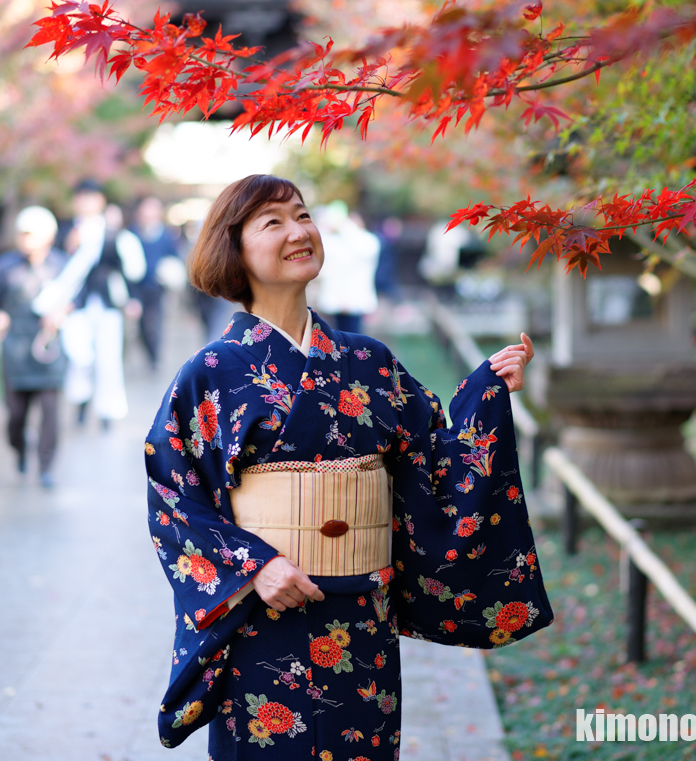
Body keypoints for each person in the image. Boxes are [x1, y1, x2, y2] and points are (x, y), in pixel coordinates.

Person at [143, 175, 552, 758]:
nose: (299, 231)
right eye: (274, 221)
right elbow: (173, 494)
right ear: (234, 248)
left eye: (302, 215)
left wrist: (485, 391)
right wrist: (254, 568)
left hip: (361, 615)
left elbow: (434, 456)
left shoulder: (367, 360)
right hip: (267, 611)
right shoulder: (211, 372)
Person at [34, 181, 146, 430]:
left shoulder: (113, 232)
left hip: (107, 304)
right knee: (79, 356)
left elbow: (127, 270)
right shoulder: (64, 231)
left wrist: (132, 299)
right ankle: (81, 400)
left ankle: (107, 412)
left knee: (109, 358)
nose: (86, 202)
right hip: (74, 306)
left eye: (91, 197)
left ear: (101, 201)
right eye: (82, 197)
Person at [0, 206, 69, 487]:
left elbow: (77, 297)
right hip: (15, 348)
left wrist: (63, 312)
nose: (25, 239)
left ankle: (46, 466)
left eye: (31, 233)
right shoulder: (4, 266)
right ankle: (19, 449)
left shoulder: (61, 265)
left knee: (50, 411)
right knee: (15, 415)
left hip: (49, 347)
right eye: (22, 233)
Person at [129, 196, 184, 372]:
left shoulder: (166, 236)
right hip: (137, 288)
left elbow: (174, 258)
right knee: (142, 326)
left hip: (157, 288)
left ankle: (155, 357)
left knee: (156, 322)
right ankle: (149, 352)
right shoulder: (133, 234)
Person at [310, 201, 380, 335]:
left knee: (354, 338)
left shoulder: (368, 242)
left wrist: (343, 225)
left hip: (355, 302)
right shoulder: (335, 243)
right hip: (334, 301)